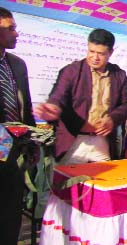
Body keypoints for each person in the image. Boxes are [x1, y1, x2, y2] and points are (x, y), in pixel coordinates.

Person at [34, 28, 127, 164]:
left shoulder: (119, 75)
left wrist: (112, 119)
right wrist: (53, 107)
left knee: (103, 182)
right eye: (91, 51)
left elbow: (126, 104)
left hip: (102, 142)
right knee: (66, 183)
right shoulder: (71, 71)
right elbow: (59, 95)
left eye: (101, 54)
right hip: (74, 141)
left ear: (110, 52)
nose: (95, 58)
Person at [0, 7, 39, 244]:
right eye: (10, 28)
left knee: (10, 212)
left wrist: (32, 140)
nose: (17, 34)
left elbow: (26, 106)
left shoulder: (17, 64)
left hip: (15, 148)